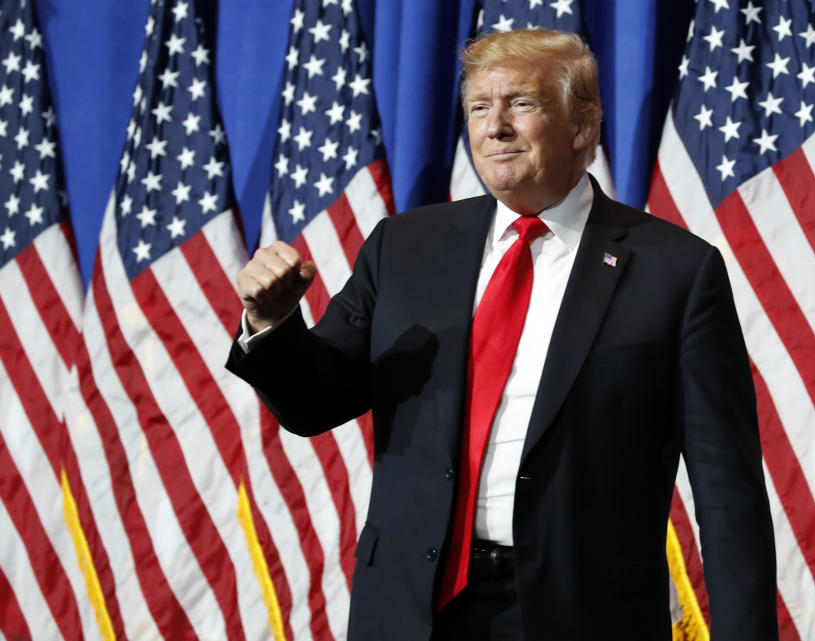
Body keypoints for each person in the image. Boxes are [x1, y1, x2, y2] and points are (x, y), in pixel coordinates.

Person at [228, 28, 777, 641]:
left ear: (582, 128)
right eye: (479, 109)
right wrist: (271, 324)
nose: (496, 128)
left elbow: (728, 492)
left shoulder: (675, 271)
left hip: (584, 614)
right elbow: (313, 403)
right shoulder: (403, 248)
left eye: (522, 103)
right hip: (413, 609)